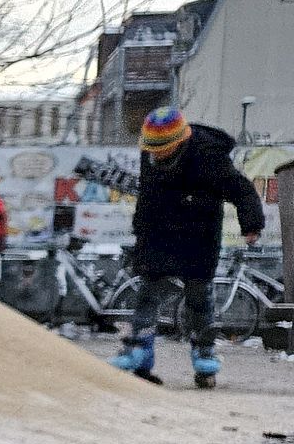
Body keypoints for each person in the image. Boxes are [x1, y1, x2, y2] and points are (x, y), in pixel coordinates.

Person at [110, 106, 266, 386]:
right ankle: (139, 353)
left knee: (198, 299)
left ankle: (204, 356)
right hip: (159, 234)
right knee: (148, 293)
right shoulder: (151, 153)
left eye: (162, 150)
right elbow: (147, 198)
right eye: (151, 150)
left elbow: (240, 189)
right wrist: (140, 233)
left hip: (198, 234)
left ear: (180, 142)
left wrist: (251, 225)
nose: (155, 155)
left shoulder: (208, 155)